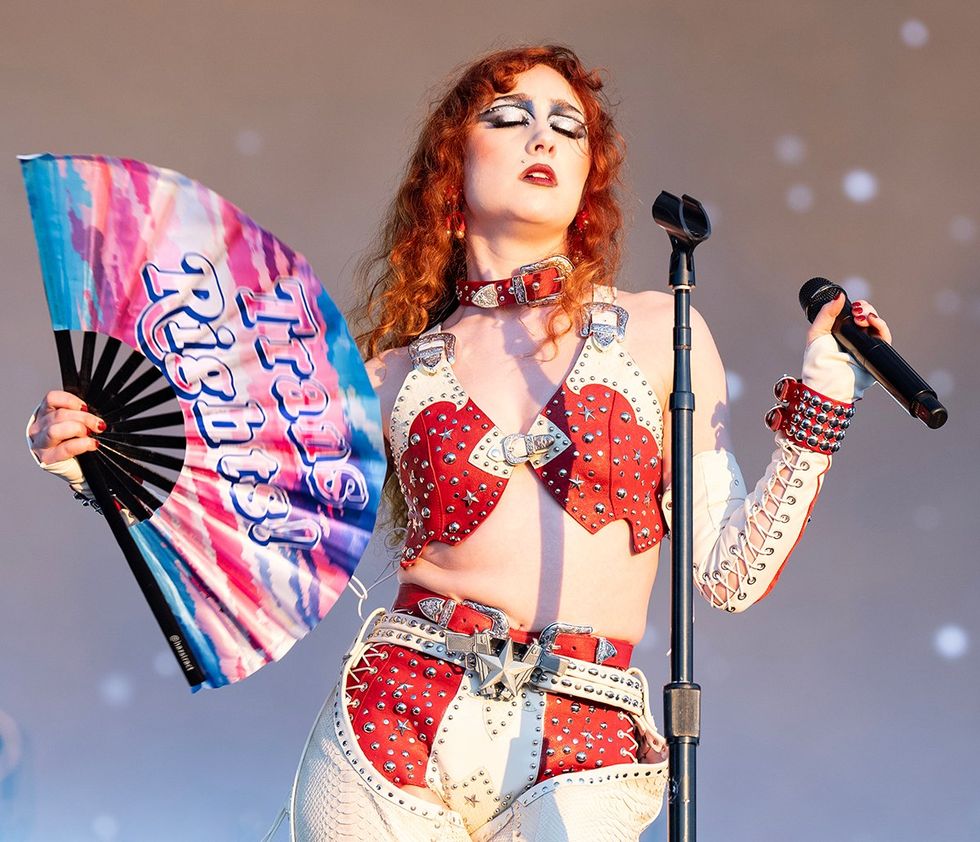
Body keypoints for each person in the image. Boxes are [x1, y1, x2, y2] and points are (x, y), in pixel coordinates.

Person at [28, 46, 891, 842]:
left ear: (590, 176)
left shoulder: (662, 328)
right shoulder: (386, 372)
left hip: (583, 741)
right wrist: (95, 465)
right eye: (509, 116)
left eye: (568, 125)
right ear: (452, 164)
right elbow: (240, 511)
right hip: (390, 719)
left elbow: (728, 577)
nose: (542, 137)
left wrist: (826, 392)